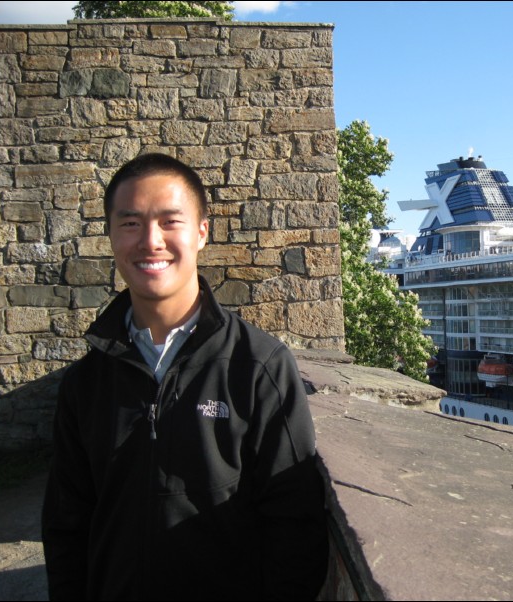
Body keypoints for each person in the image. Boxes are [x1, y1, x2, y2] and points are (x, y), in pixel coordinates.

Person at [41, 153, 329, 601]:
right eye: (131, 223)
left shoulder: (258, 367)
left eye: (169, 221)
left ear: (201, 232)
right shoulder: (87, 382)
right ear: (111, 235)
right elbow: (66, 524)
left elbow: (295, 525)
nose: (150, 241)